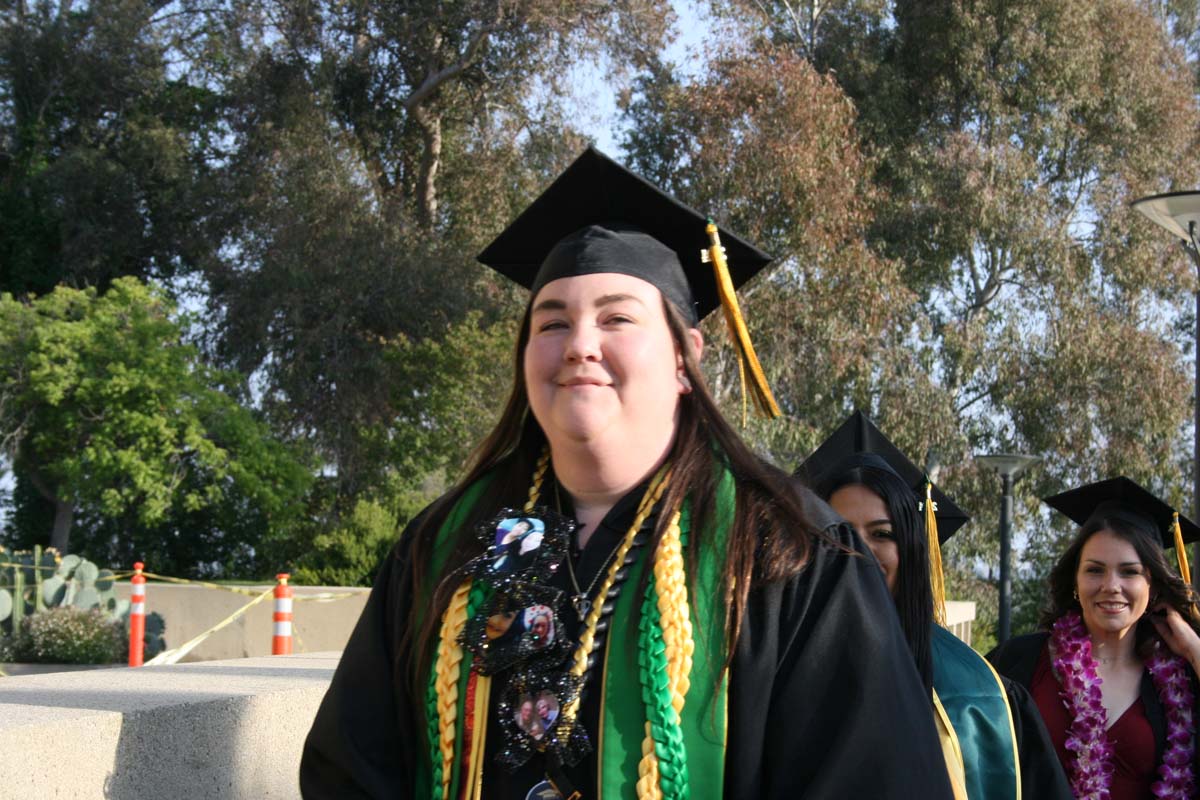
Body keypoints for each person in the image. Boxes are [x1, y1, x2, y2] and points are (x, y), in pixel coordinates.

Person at [300, 147, 953, 799]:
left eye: (616, 318)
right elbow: (351, 770)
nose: (580, 343)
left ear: (683, 357)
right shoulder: (443, 548)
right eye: (551, 322)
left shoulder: (790, 553)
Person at [798, 410, 1070, 800]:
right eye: (839, 533)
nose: (858, 550)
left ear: (911, 549)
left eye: (882, 533)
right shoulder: (777, 670)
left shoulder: (980, 694)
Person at [989, 477, 1200, 800]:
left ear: (1153, 586)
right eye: (1094, 570)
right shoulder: (1019, 661)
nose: (1111, 585)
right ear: (1075, 579)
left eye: (1129, 572)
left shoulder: (1182, 676)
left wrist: (1194, 650)